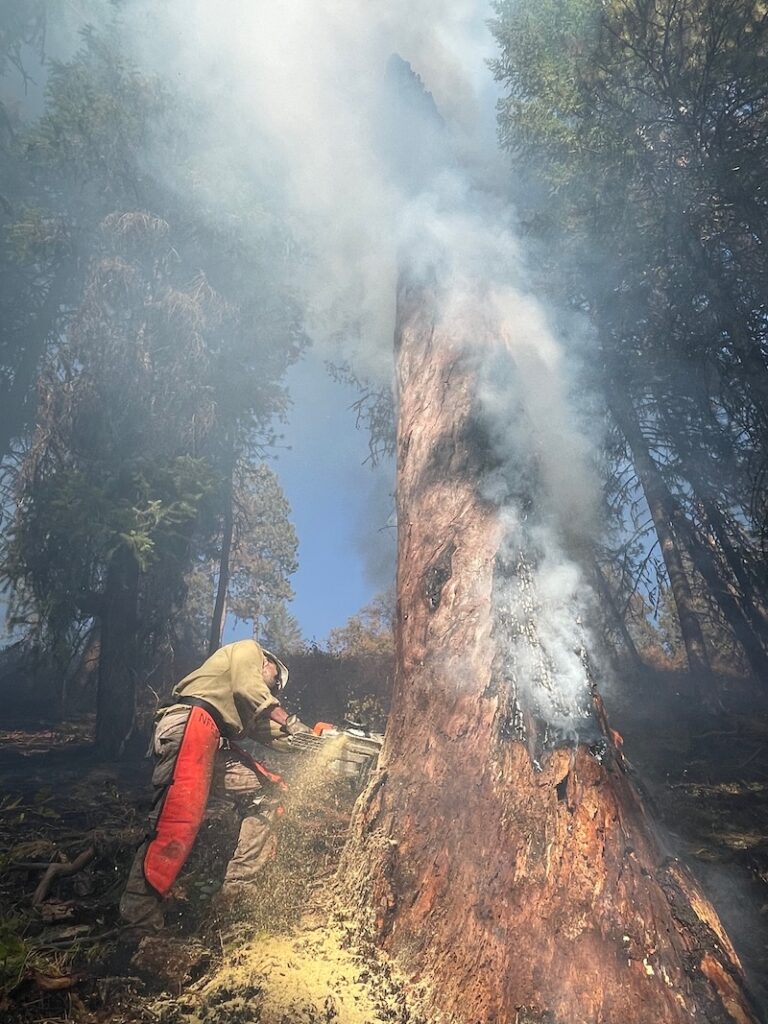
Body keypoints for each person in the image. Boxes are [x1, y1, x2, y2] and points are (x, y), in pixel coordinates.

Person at [119, 638, 311, 933]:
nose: (274, 690)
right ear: (268, 663)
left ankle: (237, 891)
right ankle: (139, 920)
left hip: (211, 737)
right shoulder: (250, 651)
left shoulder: (248, 703)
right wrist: (291, 719)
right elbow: (252, 691)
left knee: (268, 794)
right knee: (176, 820)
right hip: (191, 723)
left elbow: (272, 732)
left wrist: (314, 743)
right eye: (275, 682)